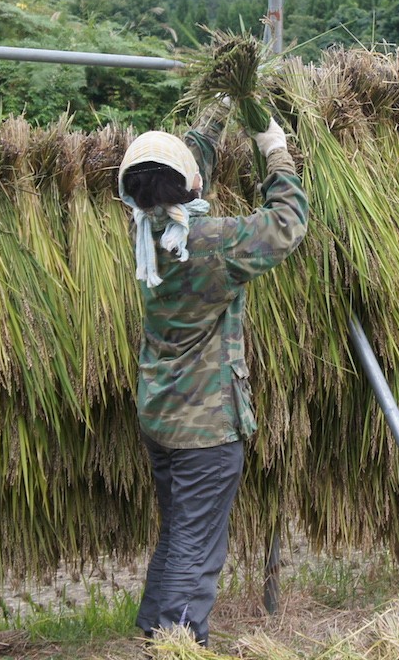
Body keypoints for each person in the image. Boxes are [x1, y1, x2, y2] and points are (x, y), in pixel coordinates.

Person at [117, 108, 309, 647]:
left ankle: (158, 632)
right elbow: (286, 223)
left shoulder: (147, 225)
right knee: (197, 544)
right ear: (190, 187)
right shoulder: (209, 240)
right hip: (205, 428)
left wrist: (218, 113)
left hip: (162, 415)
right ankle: (179, 644)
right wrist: (276, 152)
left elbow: (181, 170)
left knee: (179, 532)